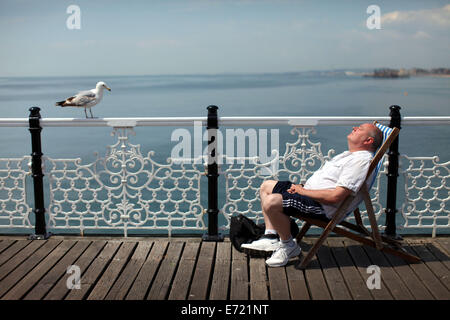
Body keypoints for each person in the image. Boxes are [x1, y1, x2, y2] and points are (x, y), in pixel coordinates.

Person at [241, 123, 383, 267]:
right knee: (267, 186)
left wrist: (302, 191)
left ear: (368, 141)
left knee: (272, 202)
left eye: (360, 129)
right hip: (308, 194)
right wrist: (301, 188)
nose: (354, 128)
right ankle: (271, 236)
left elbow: (336, 196)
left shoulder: (360, 161)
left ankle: (288, 246)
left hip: (322, 206)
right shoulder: (351, 155)